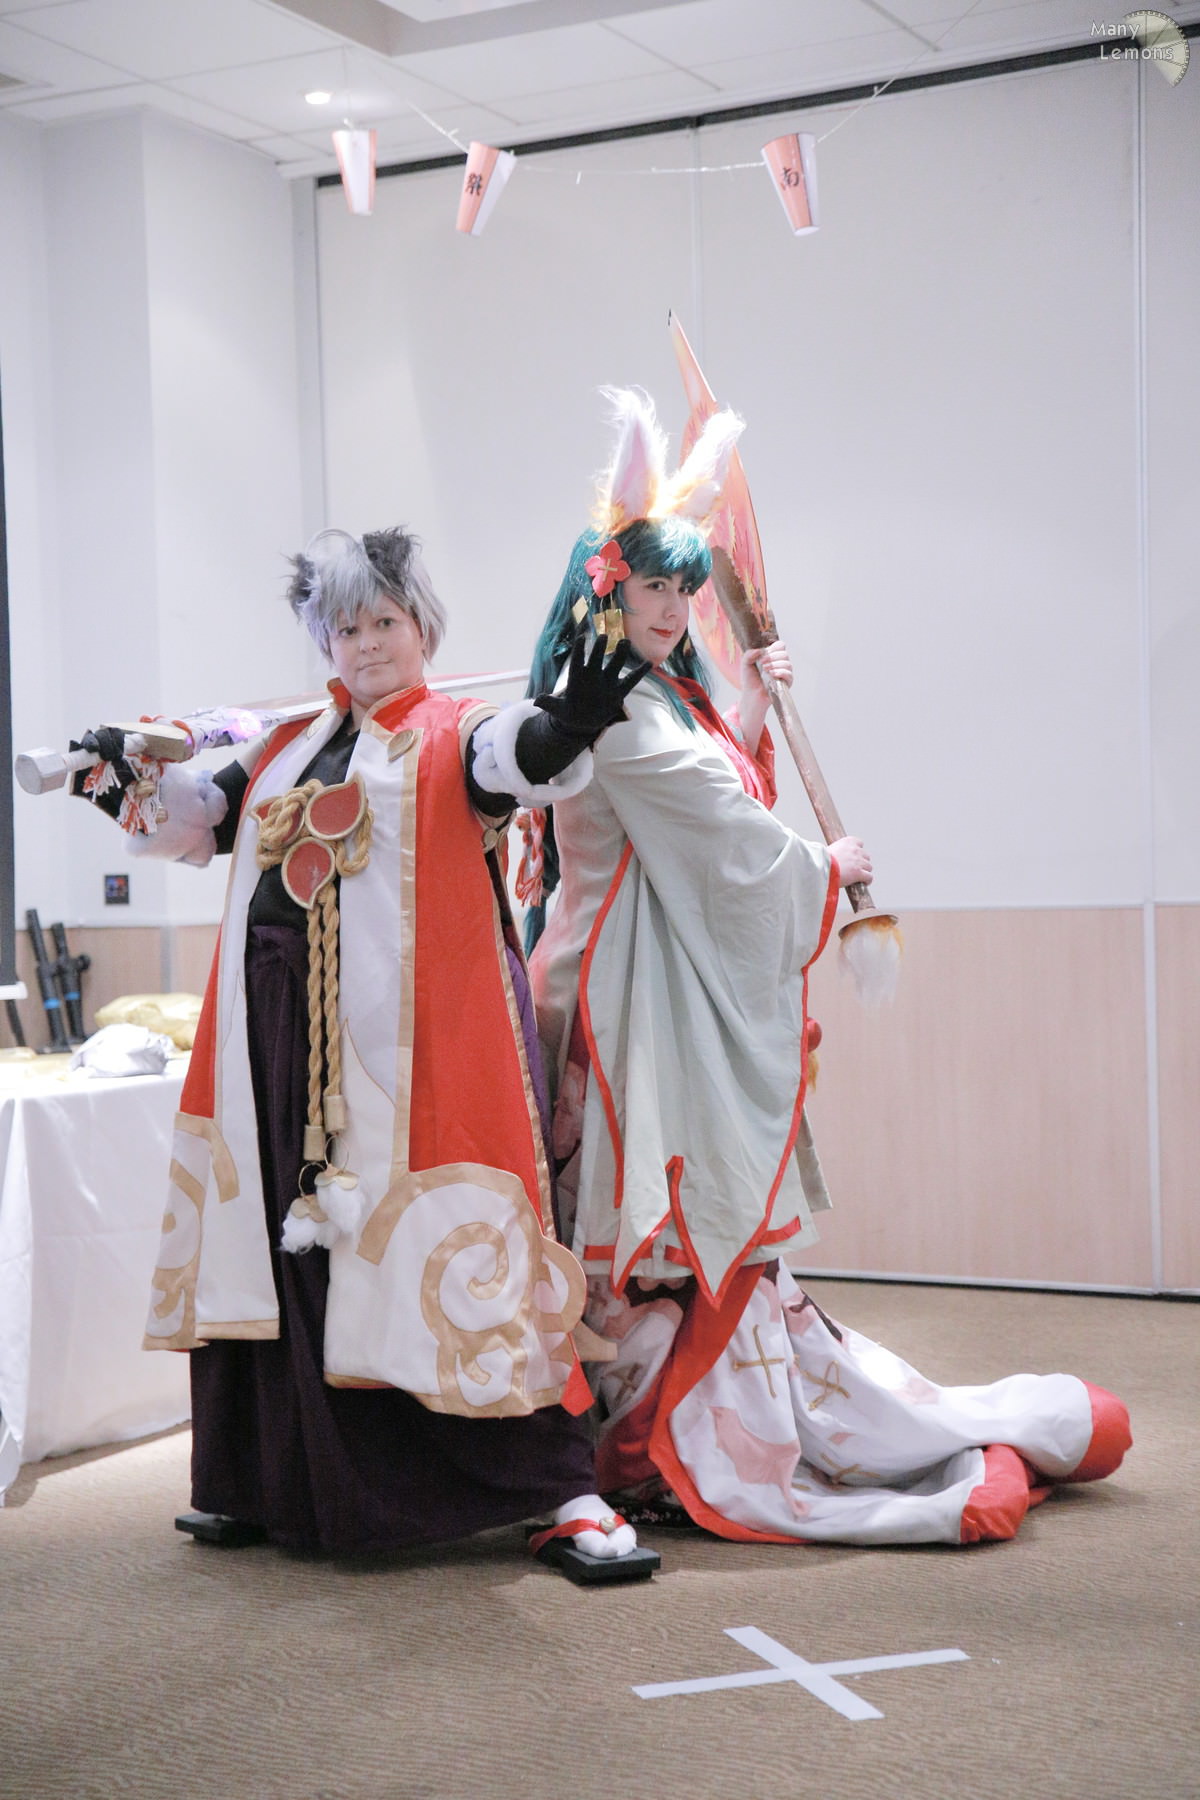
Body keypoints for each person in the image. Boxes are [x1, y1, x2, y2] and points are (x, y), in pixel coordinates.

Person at [524, 390, 1131, 1547]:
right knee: (636, 1216)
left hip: (648, 979)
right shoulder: (612, 705)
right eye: (653, 589)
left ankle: (658, 1436)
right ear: (606, 588)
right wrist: (823, 868)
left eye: (683, 591)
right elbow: (718, 829)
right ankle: (638, 1443)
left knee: (659, 1221)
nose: (673, 610)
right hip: (624, 995)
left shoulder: (651, 695)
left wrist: (749, 698)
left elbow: (716, 788)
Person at [71, 525, 650, 1574]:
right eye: (346, 627)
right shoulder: (288, 744)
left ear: (422, 627)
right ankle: (267, 1479)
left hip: (418, 1041)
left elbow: (514, 760)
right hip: (273, 1031)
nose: (368, 641)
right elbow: (198, 820)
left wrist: (569, 721)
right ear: (324, 642)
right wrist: (124, 779)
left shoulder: (454, 728)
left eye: (386, 620)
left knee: (440, 1243)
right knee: (284, 1247)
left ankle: (550, 1489)